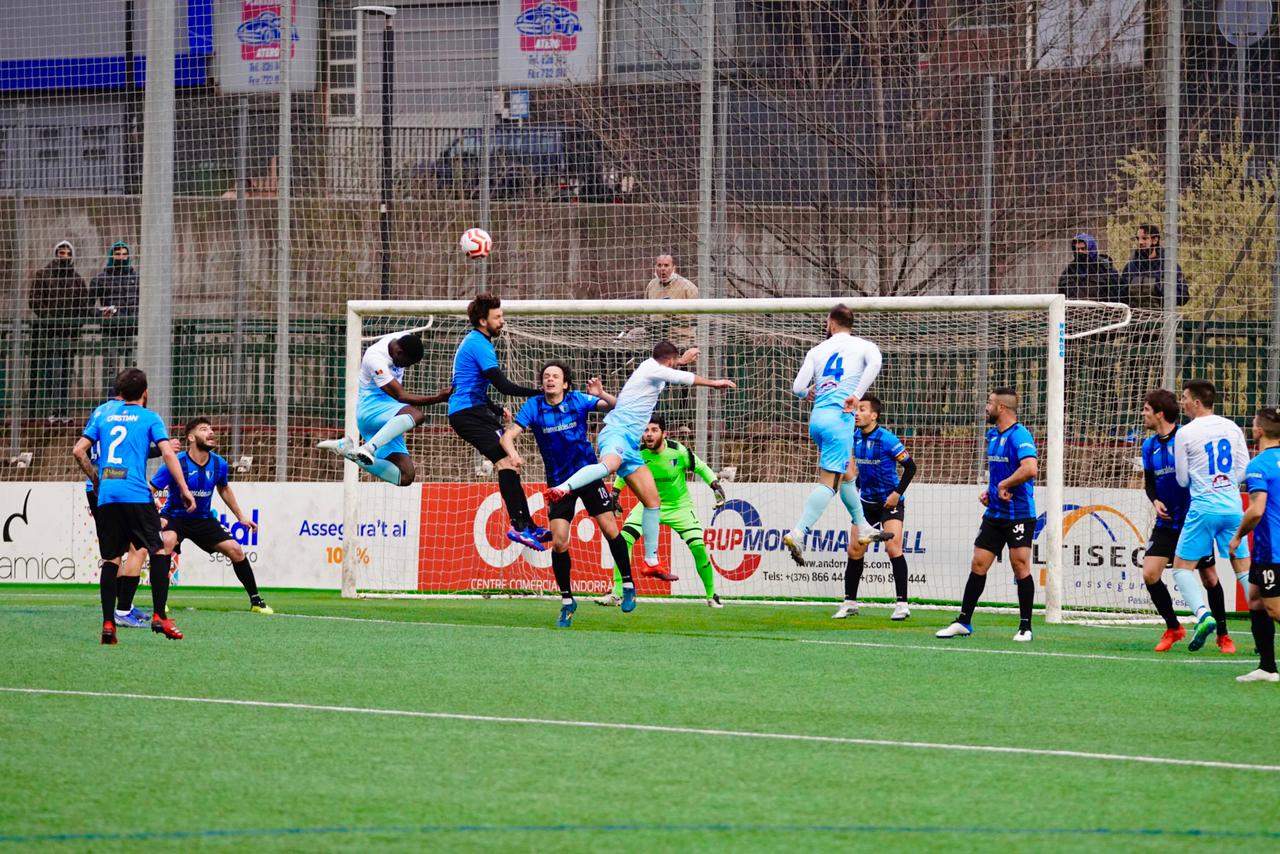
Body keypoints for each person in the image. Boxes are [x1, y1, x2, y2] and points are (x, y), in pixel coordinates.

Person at [545, 341, 736, 612]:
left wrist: (680, 360)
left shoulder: (654, 371)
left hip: (632, 446)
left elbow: (671, 371)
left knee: (652, 500)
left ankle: (650, 560)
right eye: (673, 363)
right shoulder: (651, 368)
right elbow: (682, 377)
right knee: (609, 465)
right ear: (667, 362)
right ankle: (564, 488)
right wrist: (714, 383)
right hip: (616, 434)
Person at [499, 361, 633, 628]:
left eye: (555, 376)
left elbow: (618, 405)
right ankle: (567, 601)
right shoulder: (534, 406)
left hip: (588, 474)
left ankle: (628, 584)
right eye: (546, 376)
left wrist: (601, 394)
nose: (550, 379)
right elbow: (507, 436)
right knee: (559, 542)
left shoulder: (577, 400)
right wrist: (512, 453)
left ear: (565, 383)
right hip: (559, 483)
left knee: (610, 529)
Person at [72, 368, 195, 644]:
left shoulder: (103, 414)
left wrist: (97, 479)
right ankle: (159, 617)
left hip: (107, 496)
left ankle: (108, 623)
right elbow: (166, 453)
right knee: (159, 548)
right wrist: (185, 489)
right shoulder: (150, 417)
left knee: (111, 558)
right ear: (145, 392)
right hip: (136, 494)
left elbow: (78, 450)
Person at [782, 305, 890, 568]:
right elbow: (876, 363)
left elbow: (797, 387)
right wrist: (857, 394)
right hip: (840, 420)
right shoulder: (865, 346)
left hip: (818, 419)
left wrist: (806, 392)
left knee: (848, 473)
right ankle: (799, 532)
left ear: (831, 323)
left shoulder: (817, 350)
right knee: (829, 483)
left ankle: (863, 526)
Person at [445, 294, 548, 550]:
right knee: (506, 462)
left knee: (510, 465)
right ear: (483, 320)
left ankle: (528, 525)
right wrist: (541, 393)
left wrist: (494, 407)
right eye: (497, 317)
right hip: (468, 414)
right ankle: (519, 526)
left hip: (474, 411)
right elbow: (504, 385)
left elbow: (469, 385)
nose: (502, 321)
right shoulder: (479, 344)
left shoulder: (477, 342)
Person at [937, 388, 1038, 642]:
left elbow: (1030, 469)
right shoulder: (993, 435)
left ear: (1002, 408)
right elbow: (1001, 476)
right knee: (978, 563)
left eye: (990, 402)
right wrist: (990, 492)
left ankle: (1025, 627)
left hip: (1019, 514)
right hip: (995, 513)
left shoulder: (1020, 435)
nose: (986, 406)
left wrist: (1005, 485)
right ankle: (963, 621)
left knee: (1020, 566)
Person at [1139, 389, 1233, 653]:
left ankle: (1223, 635)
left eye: (1146, 409)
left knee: (1210, 578)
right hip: (1167, 524)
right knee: (1150, 573)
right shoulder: (1149, 446)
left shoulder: (1187, 437)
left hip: (1193, 520)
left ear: (1159, 413)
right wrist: (1155, 501)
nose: (1143, 414)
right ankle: (1173, 627)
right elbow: (1150, 483)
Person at [602, 416, 728, 609]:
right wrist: (615, 493)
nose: (648, 434)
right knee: (624, 539)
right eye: (646, 430)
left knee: (698, 547)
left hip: (679, 507)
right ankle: (617, 593)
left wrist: (715, 485)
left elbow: (701, 467)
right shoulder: (638, 452)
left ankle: (712, 595)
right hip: (647, 504)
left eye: (654, 430)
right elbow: (624, 471)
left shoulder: (678, 451)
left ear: (664, 434)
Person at [151, 417, 272, 615]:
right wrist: (154, 516)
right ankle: (160, 602)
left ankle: (256, 601)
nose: (211, 433)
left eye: (211, 429)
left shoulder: (219, 464)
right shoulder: (176, 463)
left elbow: (224, 488)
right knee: (167, 542)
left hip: (203, 519)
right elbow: (151, 489)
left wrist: (240, 516)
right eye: (204, 429)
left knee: (236, 550)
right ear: (191, 437)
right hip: (175, 517)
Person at [1171, 379, 1251, 652]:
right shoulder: (1231, 427)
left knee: (1182, 569)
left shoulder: (1185, 433)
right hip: (1233, 508)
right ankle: (1263, 620)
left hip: (1203, 508)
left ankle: (1203, 616)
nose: (1181, 403)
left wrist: (1207, 483)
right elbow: (1244, 467)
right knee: (1243, 570)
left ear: (1195, 402)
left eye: (1184, 398)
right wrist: (1225, 482)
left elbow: (1182, 480)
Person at [318, 331, 451, 486]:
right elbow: (401, 396)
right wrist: (438, 398)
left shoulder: (403, 339)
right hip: (371, 410)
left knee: (406, 476)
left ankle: (346, 450)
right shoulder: (375, 358)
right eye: (406, 363)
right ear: (399, 352)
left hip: (389, 418)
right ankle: (368, 448)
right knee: (417, 415)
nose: (406, 367)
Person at [835, 395, 917, 621]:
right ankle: (850, 602)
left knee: (893, 548)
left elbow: (910, 467)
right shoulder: (854, 438)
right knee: (855, 550)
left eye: (862, 410)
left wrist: (896, 494)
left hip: (889, 503)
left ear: (874, 415)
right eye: (856, 410)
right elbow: (860, 473)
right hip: (866, 504)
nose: (857, 414)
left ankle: (902, 604)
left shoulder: (888, 439)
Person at [83, 390, 156, 629]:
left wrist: (95, 479)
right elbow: (129, 451)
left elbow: (85, 450)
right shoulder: (128, 414)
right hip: (123, 488)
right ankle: (122, 609)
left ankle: (119, 610)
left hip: (101, 490)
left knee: (115, 554)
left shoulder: (101, 412)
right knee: (138, 548)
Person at [1229, 407, 1280, 682]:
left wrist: (1236, 537)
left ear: (1258, 431)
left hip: (1273, 549)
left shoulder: (1258, 465)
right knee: (1256, 600)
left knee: (1274, 608)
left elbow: (1256, 510)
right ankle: (1267, 667)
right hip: (1265, 549)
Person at [29, 240, 91, 414]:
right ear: (55, 254)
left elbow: (83, 306)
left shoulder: (77, 279)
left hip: (69, 333)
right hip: (48, 332)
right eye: (61, 253)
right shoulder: (43, 275)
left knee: (66, 371)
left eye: (68, 253)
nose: (64, 256)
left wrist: (74, 325)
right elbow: (35, 300)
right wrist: (51, 319)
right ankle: (49, 409)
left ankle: (62, 411)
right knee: (49, 369)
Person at [1118, 224, 1188, 310]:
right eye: (1138, 239)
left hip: (1162, 318)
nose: (1140, 242)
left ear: (1155, 240)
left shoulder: (1169, 266)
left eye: (1144, 238)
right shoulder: (1131, 267)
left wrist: (1158, 287)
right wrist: (1134, 287)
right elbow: (1119, 296)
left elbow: (1183, 296)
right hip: (1134, 318)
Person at [644, 254, 699, 346]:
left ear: (674, 268)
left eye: (666, 265)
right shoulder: (651, 286)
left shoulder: (688, 287)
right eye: (659, 265)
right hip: (656, 343)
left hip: (681, 343)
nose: (662, 269)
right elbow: (646, 315)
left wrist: (671, 313)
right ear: (655, 267)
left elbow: (695, 318)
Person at [1056, 233, 1121, 302]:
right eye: (1077, 249)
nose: (1080, 251)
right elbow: (1061, 294)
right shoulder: (1070, 270)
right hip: (1074, 311)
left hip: (1099, 310)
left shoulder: (1105, 269)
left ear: (1091, 249)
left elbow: (1116, 296)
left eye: (1083, 249)